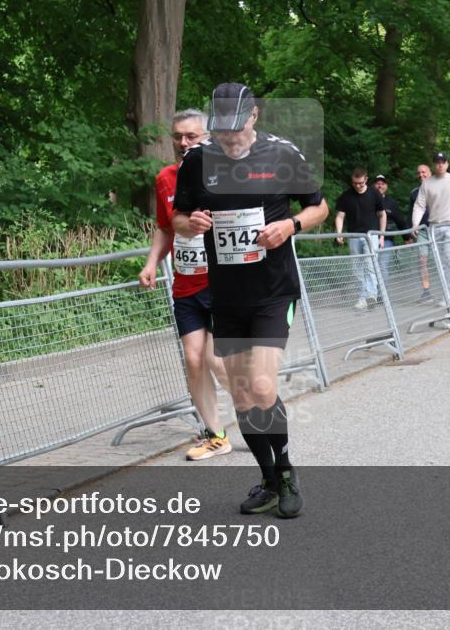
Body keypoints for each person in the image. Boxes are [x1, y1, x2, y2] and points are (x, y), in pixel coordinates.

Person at [173, 82, 329, 518]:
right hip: (224, 293)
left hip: (273, 292)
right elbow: (178, 218)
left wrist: (291, 226)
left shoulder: (282, 154)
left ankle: (285, 472)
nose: (229, 139)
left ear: (254, 116)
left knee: (262, 385)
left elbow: (319, 206)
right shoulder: (198, 162)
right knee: (242, 396)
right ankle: (269, 477)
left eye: (237, 129)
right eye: (221, 131)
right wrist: (193, 223)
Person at [138, 109, 232, 461]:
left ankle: (260, 412)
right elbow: (164, 226)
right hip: (186, 286)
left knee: (217, 361)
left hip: (222, 283)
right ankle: (217, 435)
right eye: (178, 136)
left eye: (191, 136)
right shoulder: (165, 178)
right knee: (193, 360)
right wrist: (151, 263)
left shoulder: (226, 175)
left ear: (208, 137)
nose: (183, 143)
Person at [411, 152, 450, 307]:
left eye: (443, 161)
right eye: (437, 162)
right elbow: (419, 205)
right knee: (439, 263)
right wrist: (415, 224)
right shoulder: (427, 184)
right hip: (434, 226)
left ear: (447, 163)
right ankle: (446, 294)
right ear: (434, 164)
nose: (440, 164)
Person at [335, 167, 386, 310]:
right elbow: (340, 216)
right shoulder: (346, 196)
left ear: (366, 180)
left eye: (360, 183)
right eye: (355, 183)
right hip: (353, 236)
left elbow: (382, 215)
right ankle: (362, 297)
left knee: (370, 265)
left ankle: (371, 295)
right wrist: (339, 233)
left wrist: (382, 236)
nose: (357, 186)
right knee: (357, 268)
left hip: (371, 235)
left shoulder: (374, 194)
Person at [373, 174, 409, 287]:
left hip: (387, 239)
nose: (380, 186)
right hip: (369, 238)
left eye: (382, 184)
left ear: (386, 186)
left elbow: (400, 221)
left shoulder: (391, 203)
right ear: (373, 185)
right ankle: (371, 294)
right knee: (371, 266)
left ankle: (382, 295)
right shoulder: (367, 199)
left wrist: (407, 237)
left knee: (382, 265)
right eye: (378, 183)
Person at [409, 165, 434, 303]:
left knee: (443, 259)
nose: (421, 175)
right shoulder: (414, 192)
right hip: (422, 231)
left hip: (438, 229)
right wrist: (410, 232)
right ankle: (426, 292)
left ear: (430, 173)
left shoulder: (439, 187)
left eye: (423, 172)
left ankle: (448, 291)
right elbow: (410, 213)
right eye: (418, 173)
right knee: (422, 261)